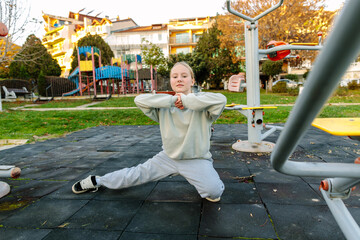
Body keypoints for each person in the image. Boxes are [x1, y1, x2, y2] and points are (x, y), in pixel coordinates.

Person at [72, 61, 227, 202]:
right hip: (168, 157)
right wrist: (173, 100)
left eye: (184, 76)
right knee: (136, 174)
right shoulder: (163, 105)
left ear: (192, 81)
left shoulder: (203, 103)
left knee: (214, 192)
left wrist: (185, 100)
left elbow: (221, 100)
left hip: (196, 159)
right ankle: (97, 180)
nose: (179, 79)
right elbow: (138, 100)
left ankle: (206, 174)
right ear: (171, 81)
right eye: (175, 76)